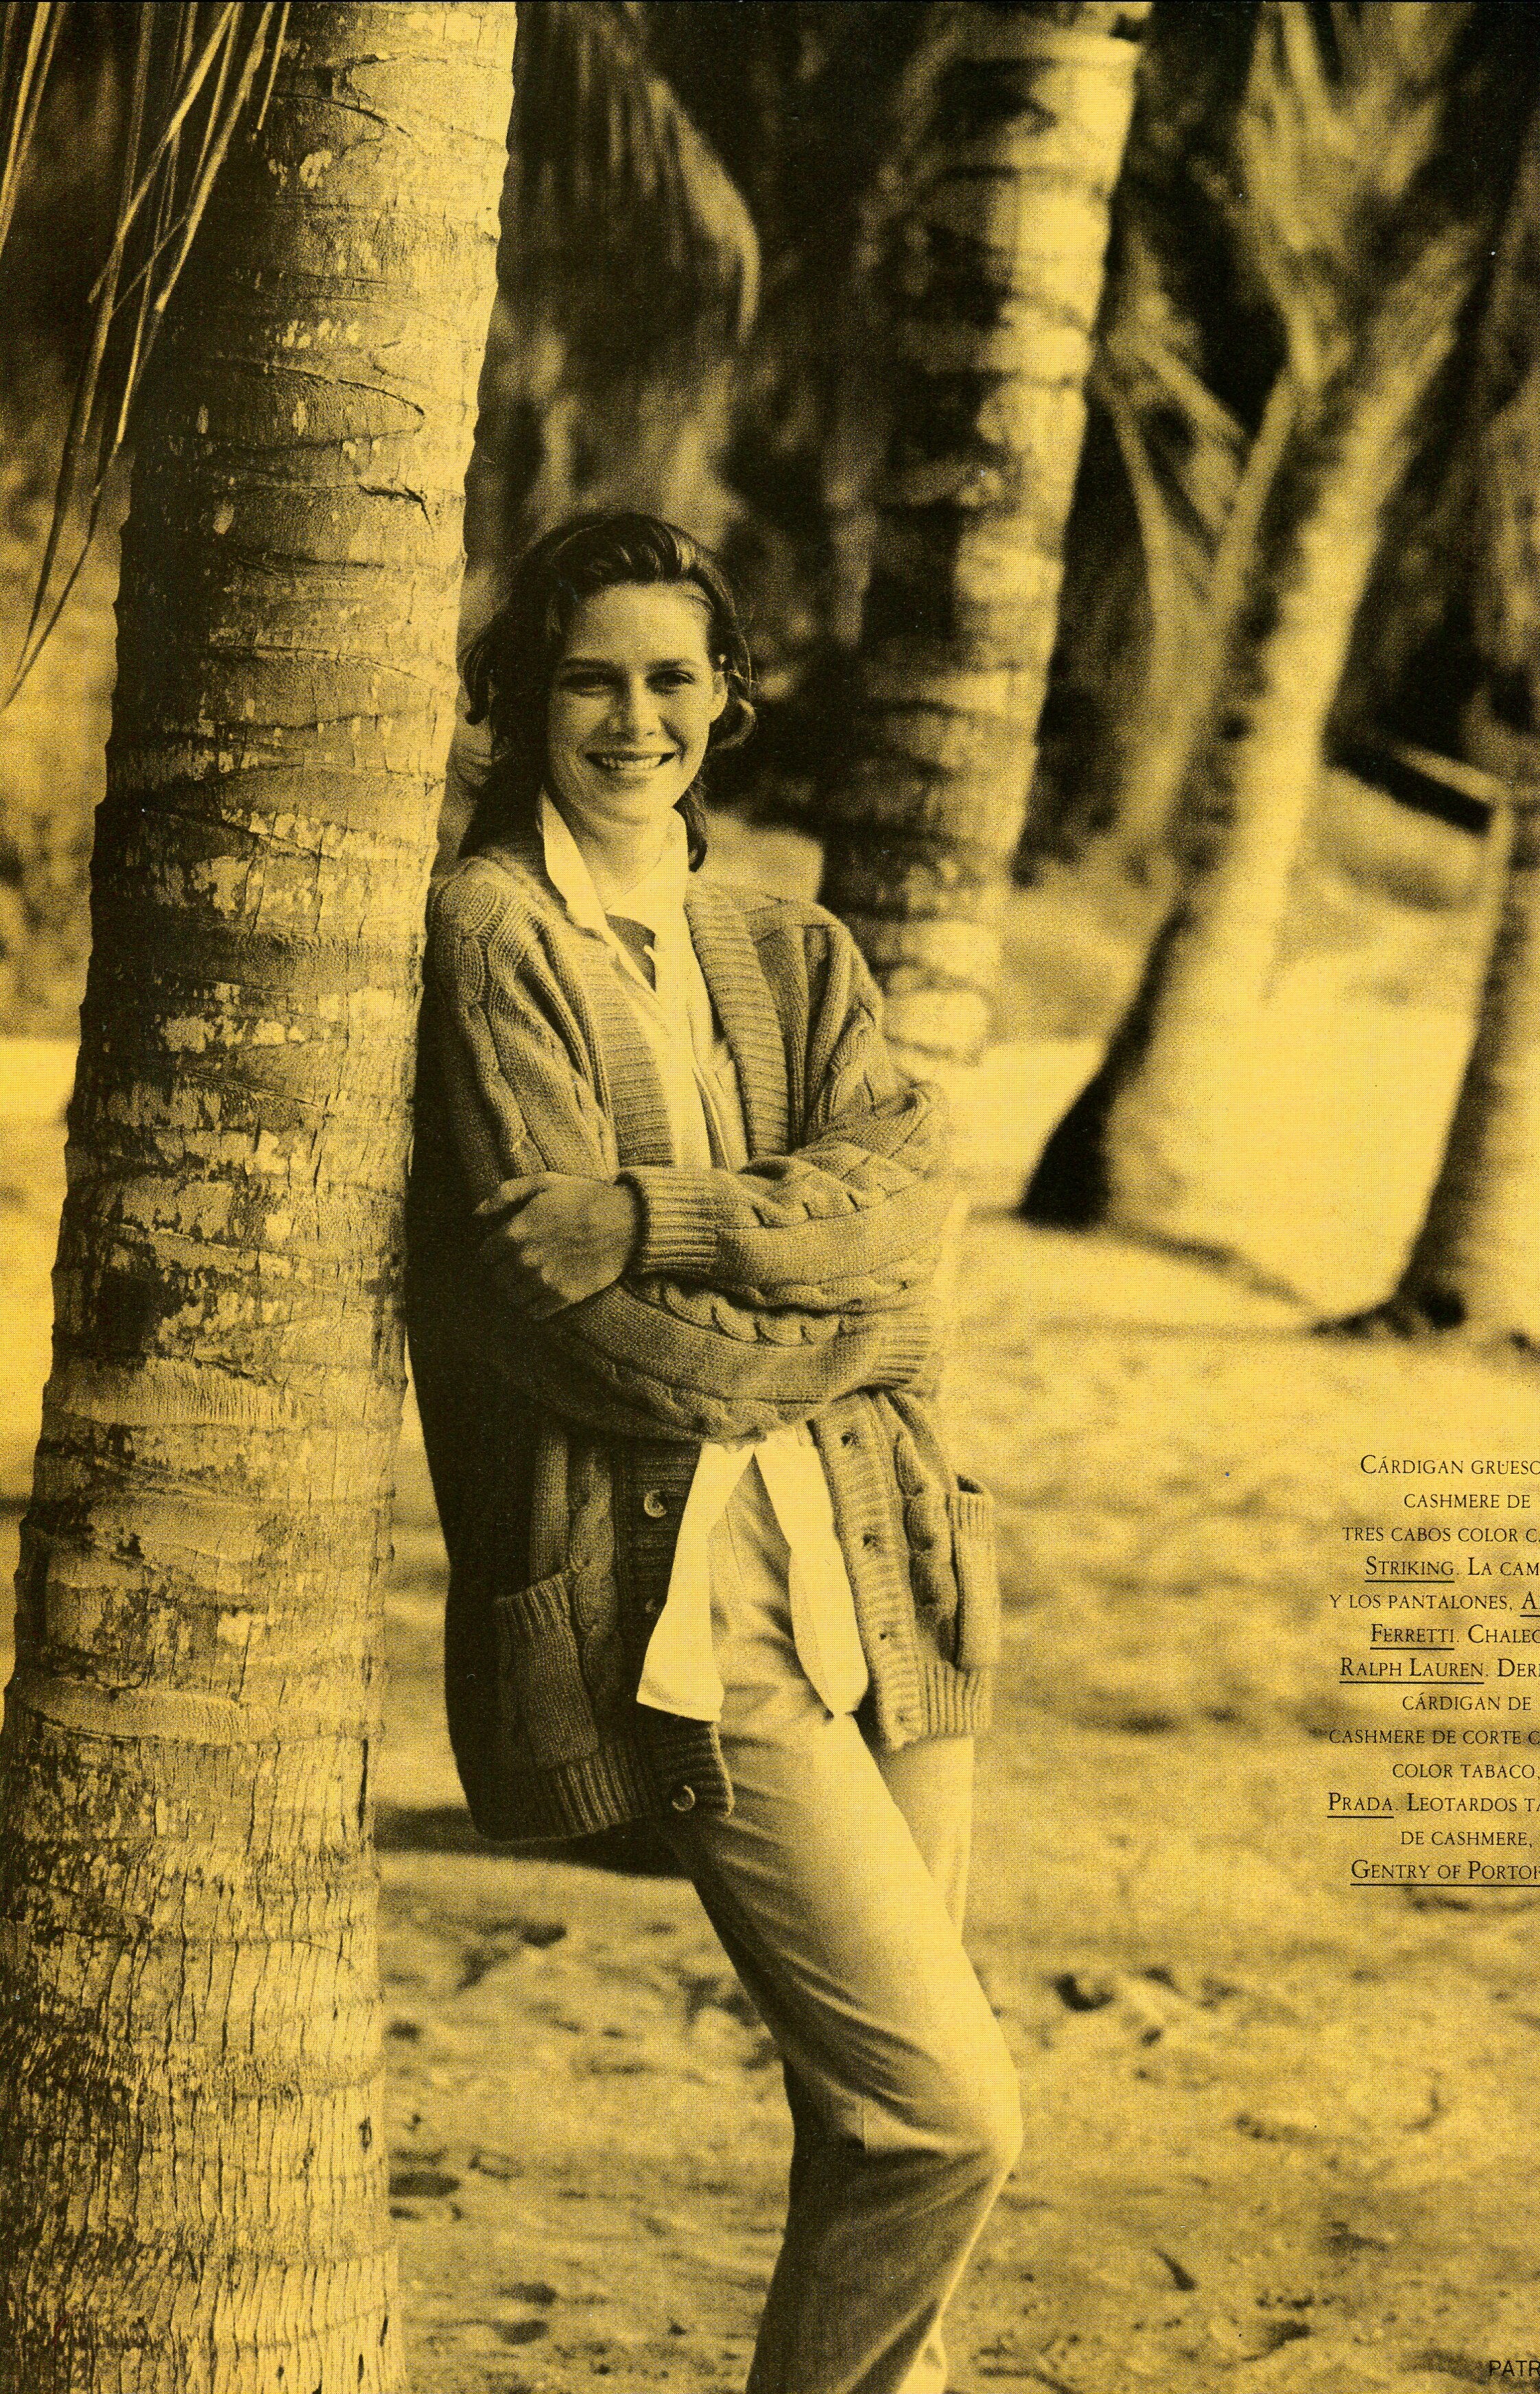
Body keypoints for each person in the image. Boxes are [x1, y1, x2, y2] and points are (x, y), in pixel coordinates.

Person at [404, 513, 1021, 2394]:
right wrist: (847, 1331)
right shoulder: (491, 933)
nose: (634, 718)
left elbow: (906, 1211)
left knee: (870, 2123)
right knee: (946, 2117)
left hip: (888, 1572)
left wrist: (658, 1219)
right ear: (523, 696)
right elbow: (564, 1325)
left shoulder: (789, 942)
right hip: (688, 1616)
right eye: (590, 678)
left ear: (729, 693)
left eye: (673, 676)